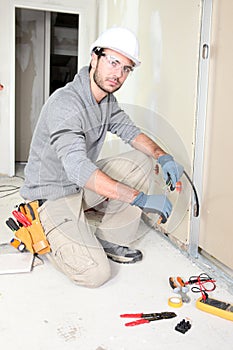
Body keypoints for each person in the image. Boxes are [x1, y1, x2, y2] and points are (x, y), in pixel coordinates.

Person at [20, 27, 183, 288]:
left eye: (126, 68)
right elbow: (77, 169)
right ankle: (47, 233)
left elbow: (130, 133)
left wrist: (163, 156)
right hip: (51, 196)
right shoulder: (65, 104)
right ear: (94, 58)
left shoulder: (106, 101)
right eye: (113, 62)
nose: (118, 74)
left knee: (140, 161)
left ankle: (109, 238)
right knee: (94, 274)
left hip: (78, 188)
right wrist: (139, 198)